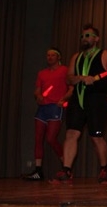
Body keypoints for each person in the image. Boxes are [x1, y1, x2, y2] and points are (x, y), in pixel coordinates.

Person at [51, 24, 107, 184]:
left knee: (96, 137)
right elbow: (69, 78)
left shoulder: (105, 55)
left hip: (97, 99)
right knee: (71, 133)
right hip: (77, 99)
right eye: (82, 36)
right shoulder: (76, 57)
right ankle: (66, 170)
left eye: (88, 35)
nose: (84, 38)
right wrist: (82, 78)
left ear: (96, 39)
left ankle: (104, 169)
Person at [23, 48, 73, 181]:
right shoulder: (42, 73)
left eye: (52, 55)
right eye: (48, 55)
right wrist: (38, 96)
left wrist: (64, 99)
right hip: (43, 108)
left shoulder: (65, 70)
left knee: (51, 138)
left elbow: (71, 89)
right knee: (38, 138)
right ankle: (38, 170)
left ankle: (66, 166)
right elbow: (37, 90)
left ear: (58, 57)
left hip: (56, 107)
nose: (50, 57)